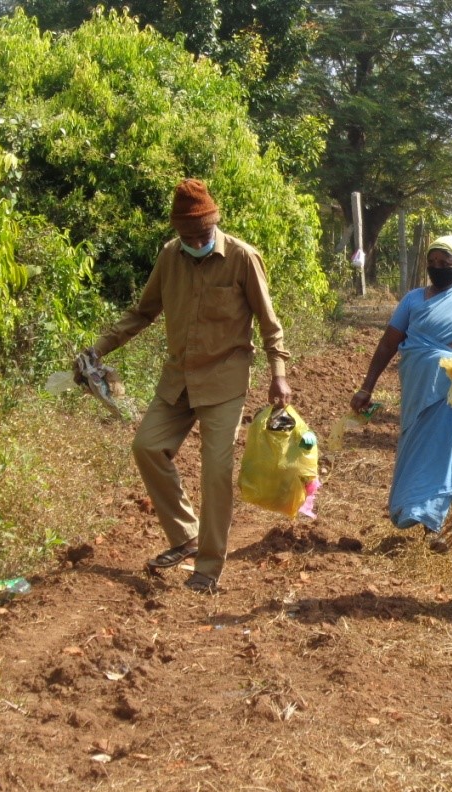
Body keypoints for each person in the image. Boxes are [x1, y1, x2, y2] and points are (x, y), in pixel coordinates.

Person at [77, 179, 292, 594]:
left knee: (215, 472)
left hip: (225, 380)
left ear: (215, 224)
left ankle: (208, 567)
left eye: (202, 234)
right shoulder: (170, 256)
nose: (195, 241)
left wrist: (278, 373)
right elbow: (143, 311)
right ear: (177, 231)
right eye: (187, 235)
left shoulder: (243, 258)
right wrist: (98, 349)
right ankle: (185, 536)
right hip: (178, 378)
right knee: (146, 447)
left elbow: (269, 322)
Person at [350, 235, 452, 551]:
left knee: (444, 451)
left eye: (445, 264)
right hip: (418, 389)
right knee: (417, 445)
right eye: (433, 263)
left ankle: (433, 524)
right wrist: (367, 385)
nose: (438, 269)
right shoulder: (412, 300)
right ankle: (413, 510)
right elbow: (387, 344)